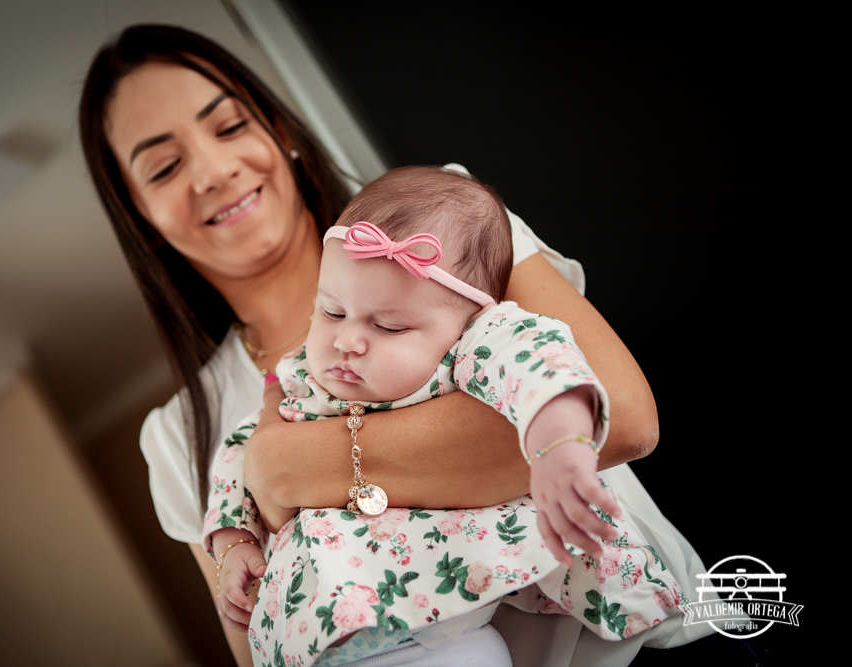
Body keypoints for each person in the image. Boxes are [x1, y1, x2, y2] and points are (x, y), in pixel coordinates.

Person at [79, 23, 712, 667]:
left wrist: (286, 467)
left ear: (280, 130)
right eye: (164, 166)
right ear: (140, 216)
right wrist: (243, 526)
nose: (215, 171)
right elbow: (257, 642)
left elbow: (620, 417)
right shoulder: (177, 435)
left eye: (230, 126)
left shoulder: (445, 231)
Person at [204, 166, 686, 666]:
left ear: (469, 322)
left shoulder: (469, 350)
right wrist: (234, 540)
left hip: (436, 623)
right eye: (331, 312)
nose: (347, 340)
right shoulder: (301, 382)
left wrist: (558, 436)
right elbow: (242, 453)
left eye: (389, 326)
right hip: (317, 633)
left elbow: (537, 360)